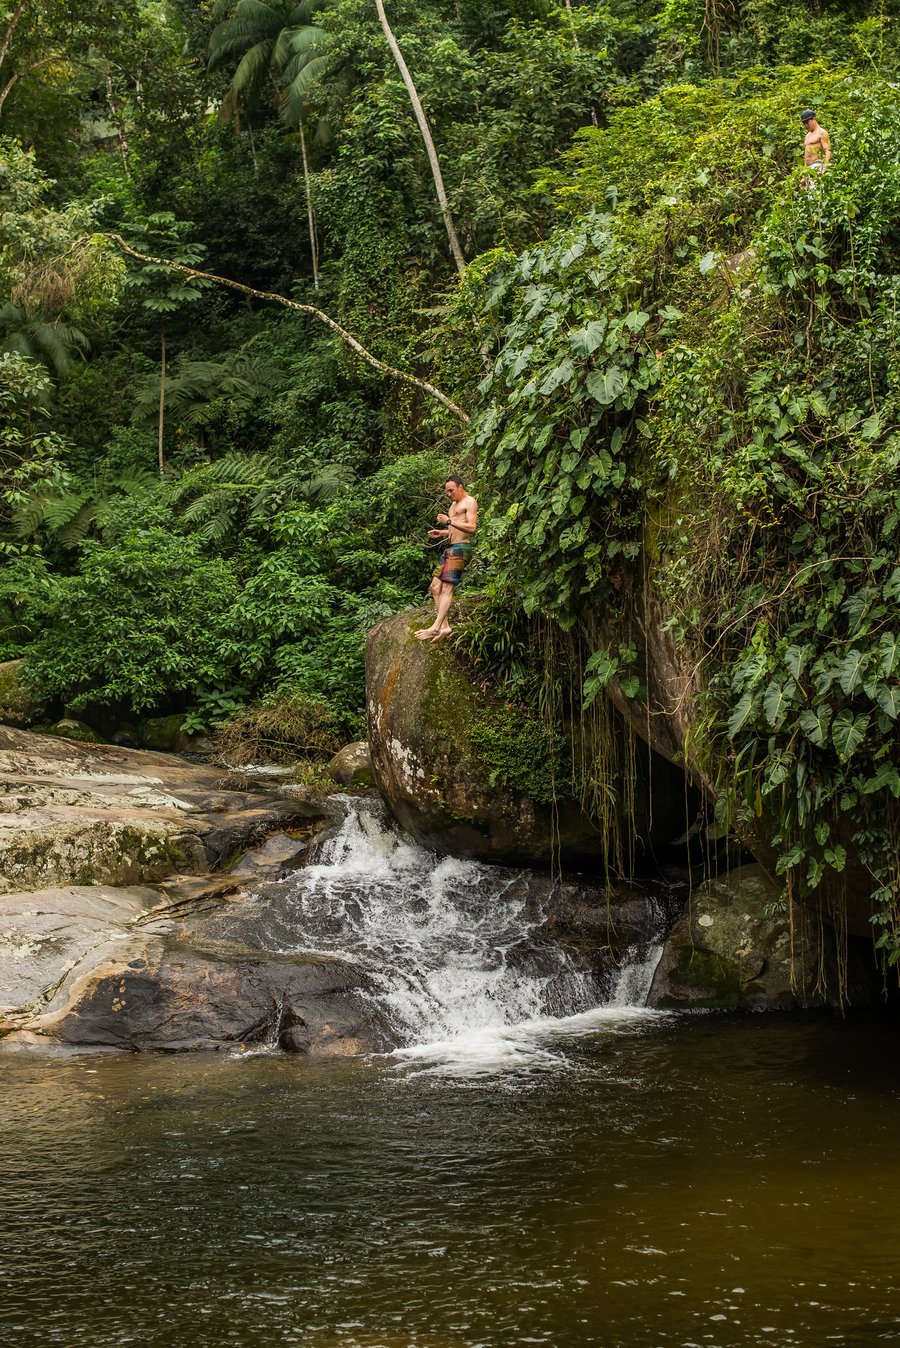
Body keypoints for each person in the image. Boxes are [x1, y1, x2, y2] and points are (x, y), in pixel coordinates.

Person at [415, 475, 478, 642]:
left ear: (460, 487)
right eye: (447, 492)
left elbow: (472, 527)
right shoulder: (452, 506)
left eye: (451, 490)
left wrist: (449, 521)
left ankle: (435, 627)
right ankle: (444, 627)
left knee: (446, 588)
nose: (449, 494)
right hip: (451, 548)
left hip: (461, 549)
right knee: (435, 587)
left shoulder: (469, 502)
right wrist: (442, 532)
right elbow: (454, 529)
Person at [801, 108, 831, 176]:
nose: (806, 125)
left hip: (817, 165)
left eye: (807, 122)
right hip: (808, 168)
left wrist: (825, 168)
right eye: (804, 123)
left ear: (814, 119)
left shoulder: (821, 132)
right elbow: (806, 156)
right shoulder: (807, 136)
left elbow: (828, 151)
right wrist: (804, 174)